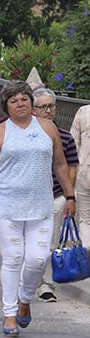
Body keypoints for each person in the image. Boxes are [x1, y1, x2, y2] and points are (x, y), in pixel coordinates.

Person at [0, 81, 75, 336]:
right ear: (7, 107)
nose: (20, 103)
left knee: (37, 260)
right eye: (14, 101)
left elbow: (60, 164)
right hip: (7, 206)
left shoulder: (47, 129)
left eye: (24, 98)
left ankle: (25, 299)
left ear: (31, 102)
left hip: (41, 206)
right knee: (13, 258)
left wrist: (70, 196)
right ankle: (10, 314)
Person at [32, 88, 78, 303]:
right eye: (43, 107)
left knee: (50, 244)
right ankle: (30, 280)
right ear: (34, 110)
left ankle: (46, 285)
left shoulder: (66, 137)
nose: (48, 110)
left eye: (51, 106)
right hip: (30, 198)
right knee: (31, 243)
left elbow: (71, 167)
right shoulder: (27, 135)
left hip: (56, 196)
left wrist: (69, 196)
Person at [72, 105, 90, 246]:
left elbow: (73, 145)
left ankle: (87, 254)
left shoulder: (84, 112)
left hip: (85, 172)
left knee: (86, 219)